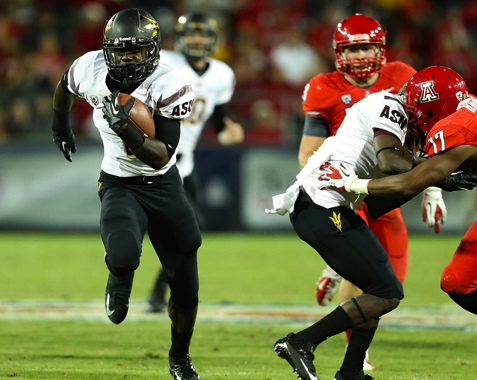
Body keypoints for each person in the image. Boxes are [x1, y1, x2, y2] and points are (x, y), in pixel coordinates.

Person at [263, 64, 477, 380]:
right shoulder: (388, 105)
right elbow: (389, 163)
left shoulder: (408, 120)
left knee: (378, 287)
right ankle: (301, 342)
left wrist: (433, 179)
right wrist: (437, 174)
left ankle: (351, 373)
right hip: (320, 201)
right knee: (386, 291)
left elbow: (379, 202)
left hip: (335, 205)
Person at [51, 8, 202, 380]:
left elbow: (162, 155)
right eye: (120, 51)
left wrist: (128, 130)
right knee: (122, 255)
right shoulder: (90, 68)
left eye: (135, 51)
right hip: (118, 182)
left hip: (164, 185)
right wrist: (61, 126)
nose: (127, 58)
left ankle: (179, 359)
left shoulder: (172, 81)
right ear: (107, 50)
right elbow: (64, 88)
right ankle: (120, 276)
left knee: (186, 287)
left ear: (152, 50)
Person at [298, 13, 416, 371]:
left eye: (367, 46)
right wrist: (325, 190)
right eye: (354, 48)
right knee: (366, 273)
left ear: (381, 49)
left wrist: (432, 190)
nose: (361, 55)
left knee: (393, 273)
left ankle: (335, 268)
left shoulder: (402, 75)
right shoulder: (324, 86)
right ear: (338, 52)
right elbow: (308, 151)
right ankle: (356, 355)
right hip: (346, 187)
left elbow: (418, 135)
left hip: (381, 185)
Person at [319, 66, 477, 317]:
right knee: (456, 282)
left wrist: (351, 184)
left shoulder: (456, 129)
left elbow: (407, 181)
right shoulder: (466, 109)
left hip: (361, 184)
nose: (411, 114)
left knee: (456, 284)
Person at [145, 12, 244, 313]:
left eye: (203, 35)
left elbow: (219, 116)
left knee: (191, 232)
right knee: (173, 232)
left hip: (183, 163)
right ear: (181, 38)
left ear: (214, 40)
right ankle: (146, 288)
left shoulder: (222, 74)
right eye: (192, 34)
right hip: (153, 157)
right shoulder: (163, 63)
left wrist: (229, 127)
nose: (198, 40)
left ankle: (159, 293)